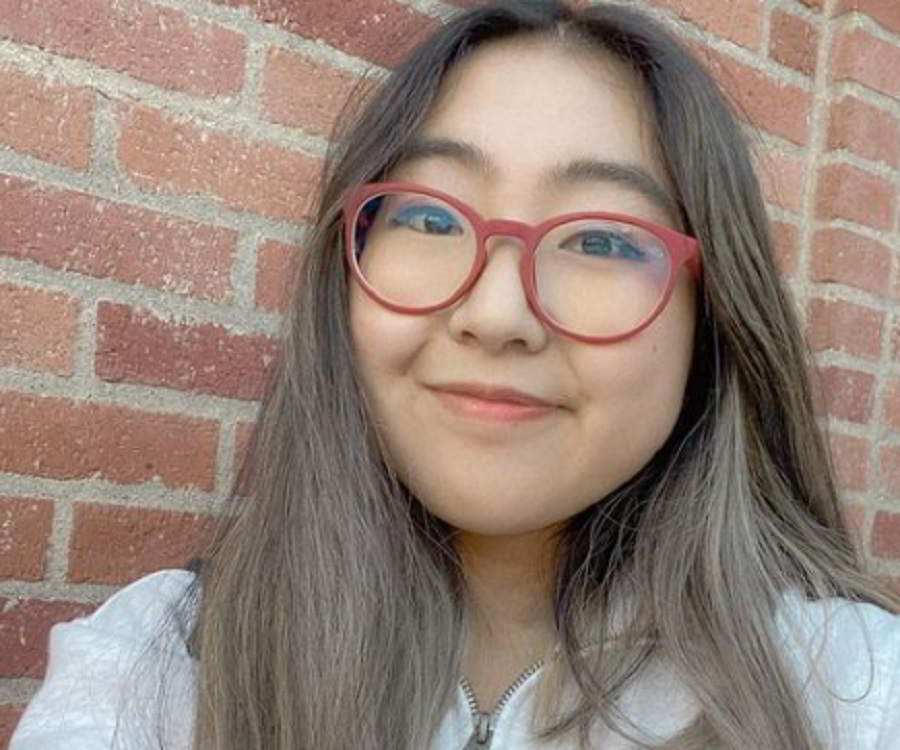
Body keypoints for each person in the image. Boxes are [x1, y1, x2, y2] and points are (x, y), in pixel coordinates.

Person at [10, 1, 900, 749]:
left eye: (601, 239)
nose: (498, 313)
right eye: (432, 220)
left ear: (713, 319)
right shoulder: (163, 662)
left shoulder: (852, 691)